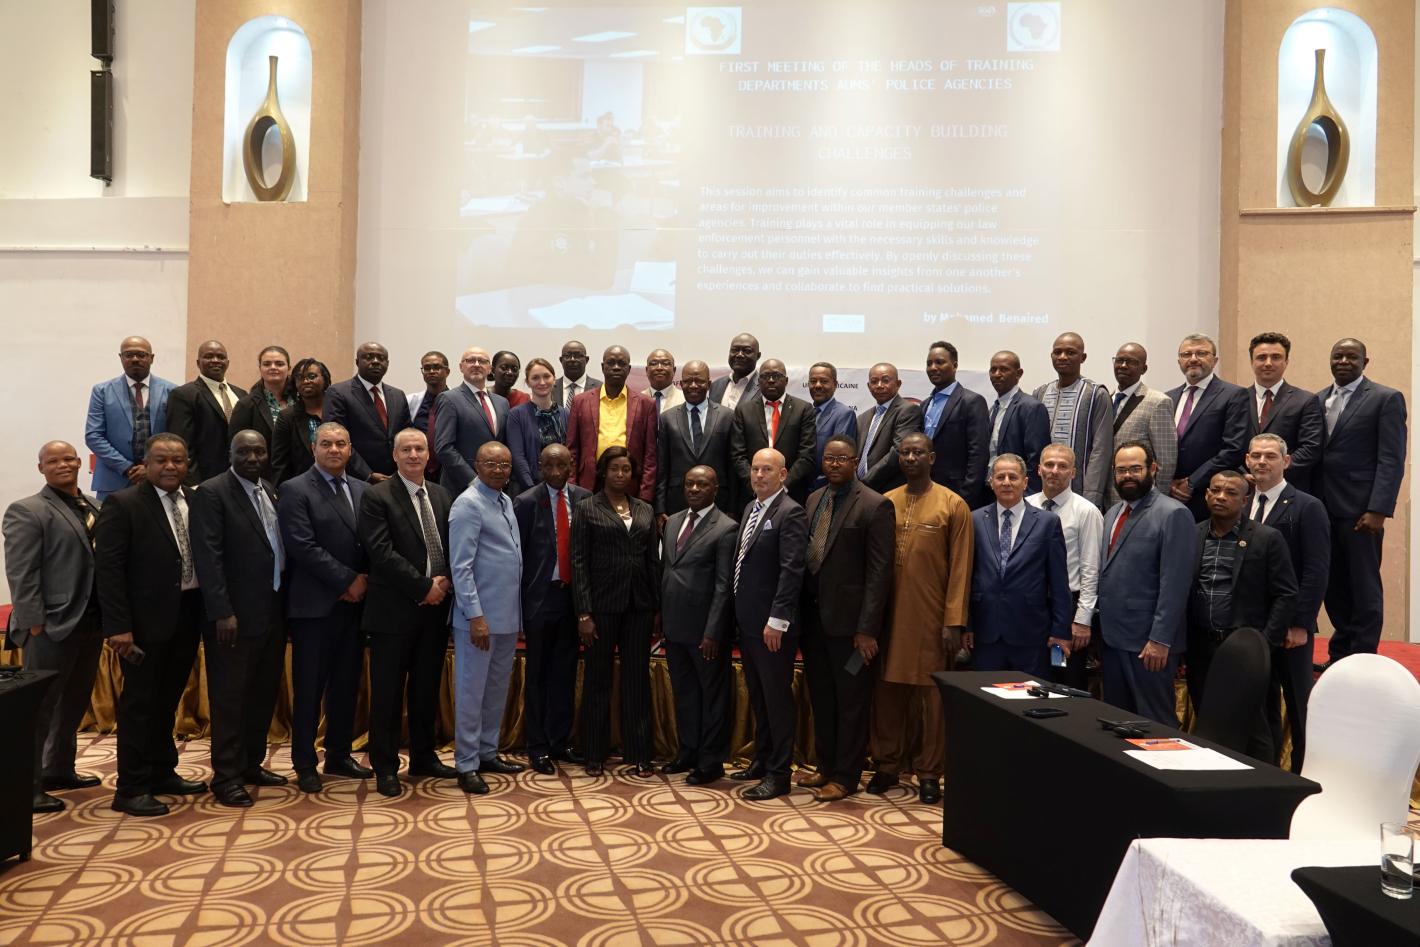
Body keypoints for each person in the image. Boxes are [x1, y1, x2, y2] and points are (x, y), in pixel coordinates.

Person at [94, 433, 208, 817]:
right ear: (146, 463)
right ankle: (131, 787)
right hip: (142, 624)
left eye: (178, 460)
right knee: (139, 704)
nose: (171, 466)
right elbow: (109, 570)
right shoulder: (123, 503)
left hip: (187, 615)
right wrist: (118, 626)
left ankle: (162, 771)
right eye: (162, 460)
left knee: (167, 700)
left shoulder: (195, 499)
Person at [869, 433, 973, 805]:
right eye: (905, 453)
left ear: (932, 458)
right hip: (889, 617)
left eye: (918, 452)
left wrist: (953, 622)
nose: (911, 458)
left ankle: (929, 772)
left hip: (932, 619)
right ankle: (886, 764)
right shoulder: (886, 501)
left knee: (933, 700)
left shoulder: (953, 504)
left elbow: (961, 568)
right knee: (886, 694)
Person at [3, 441, 104, 812]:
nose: (62, 464)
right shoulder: (27, 510)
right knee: (40, 708)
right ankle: (27, 787)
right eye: (53, 460)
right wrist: (33, 623)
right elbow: (21, 572)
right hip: (49, 624)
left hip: (91, 620)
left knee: (75, 700)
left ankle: (59, 769)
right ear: (41, 468)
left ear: (79, 462)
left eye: (68, 458)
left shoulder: (94, 505)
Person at [190, 431, 288, 807]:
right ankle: (226, 777)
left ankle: (250, 764)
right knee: (230, 699)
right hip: (233, 617)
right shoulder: (212, 492)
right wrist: (222, 611)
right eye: (243, 451)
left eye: (259, 451)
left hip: (271, 611)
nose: (252, 457)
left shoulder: (268, 489)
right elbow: (208, 556)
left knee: (261, 694)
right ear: (230, 454)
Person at [358, 429, 457, 797]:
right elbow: (381, 553)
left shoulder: (442, 495)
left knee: (426, 688)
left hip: (435, 611)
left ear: (429, 455)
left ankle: (423, 756)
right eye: (406, 449)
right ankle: (385, 767)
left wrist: (444, 583)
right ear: (395, 456)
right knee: (387, 693)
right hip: (393, 612)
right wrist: (423, 587)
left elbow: (451, 545)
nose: (414, 455)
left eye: (419, 448)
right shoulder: (377, 495)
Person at [797, 436, 894, 802]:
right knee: (822, 699)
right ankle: (825, 766)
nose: (834, 465)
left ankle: (846, 776)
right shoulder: (813, 499)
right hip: (814, 622)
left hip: (852, 630)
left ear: (855, 462)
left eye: (842, 459)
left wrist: (867, 629)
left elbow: (879, 574)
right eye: (829, 459)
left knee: (851, 703)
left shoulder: (874, 505)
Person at [277, 422, 372, 793]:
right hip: (314, 607)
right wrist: (347, 581)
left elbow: (371, 543)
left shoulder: (363, 490)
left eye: (341, 444)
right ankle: (304, 762)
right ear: (313, 448)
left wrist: (363, 580)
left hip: (354, 606)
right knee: (309, 689)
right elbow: (302, 545)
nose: (334, 450)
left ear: (350, 449)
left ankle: (338, 754)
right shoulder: (295, 489)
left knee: (345, 685)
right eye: (327, 444)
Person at [1184, 470, 1298, 762]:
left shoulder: (1266, 538)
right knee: (1208, 722)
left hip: (1244, 649)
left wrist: (1264, 644)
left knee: (1255, 729)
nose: (1221, 497)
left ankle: (1265, 783)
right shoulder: (1193, 534)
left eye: (1231, 493)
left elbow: (1286, 594)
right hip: (1201, 646)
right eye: (1215, 491)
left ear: (1245, 500)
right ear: (1206, 495)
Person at [1317, 338, 1407, 663]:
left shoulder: (1385, 398)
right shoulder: (1318, 399)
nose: (1343, 361)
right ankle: (1340, 654)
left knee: (1363, 586)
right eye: (1337, 355)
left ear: (1365, 362)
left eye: (1351, 357)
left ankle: (1364, 656)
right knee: (1334, 585)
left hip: (1361, 511)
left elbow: (1391, 459)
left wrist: (1378, 509)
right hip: (1323, 509)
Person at [572, 446, 659, 777]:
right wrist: (584, 613)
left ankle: (640, 754)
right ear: (603, 472)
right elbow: (579, 562)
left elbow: (652, 562)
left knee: (637, 680)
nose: (621, 474)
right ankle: (594, 753)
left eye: (626, 469)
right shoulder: (587, 508)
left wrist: (656, 606)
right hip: (601, 608)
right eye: (614, 469)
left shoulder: (645, 509)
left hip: (639, 607)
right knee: (598, 680)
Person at [1245, 433, 1330, 771]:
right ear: (1247, 460)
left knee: (1298, 706)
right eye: (1256, 455)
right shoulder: (1243, 503)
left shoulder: (1308, 506)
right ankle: (1268, 773)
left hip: (1291, 629)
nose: (1262, 461)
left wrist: (1300, 623)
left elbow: (1316, 571)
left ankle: (1304, 774)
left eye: (1270, 456)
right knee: (1262, 704)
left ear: (1287, 461)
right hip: (1255, 625)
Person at [1096, 441, 1195, 725]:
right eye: (1121, 470)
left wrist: (1160, 639)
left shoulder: (1173, 513)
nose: (1127, 476)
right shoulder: (1113, 513)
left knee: (1155, 725)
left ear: (1153, 469)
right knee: (1116, 723)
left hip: (1148, 644)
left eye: (1135, 469)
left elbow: (1175, 584)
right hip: (1113, 640)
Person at [730, 448, 808, 800]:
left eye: (767, 470)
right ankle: (762, 759)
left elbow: (792, 570)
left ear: (783, 474)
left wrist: (777, 620)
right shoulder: (751, 507)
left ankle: (779, 774)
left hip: (772, 627)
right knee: (760, 697)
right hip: (748, 622)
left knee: (776, 701)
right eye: (755, 469)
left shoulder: (791, 512)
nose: (759, 475)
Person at [448, 442, 526, 794]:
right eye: (491, 463)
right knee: (471, 692)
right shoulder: (467, 504)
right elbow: (461, 568)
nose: (498, 470)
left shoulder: (505, 500)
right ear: (476, 465)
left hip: (506, 617)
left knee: (495, 690)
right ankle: (466, 764)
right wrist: (475, 616)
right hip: (478, 621)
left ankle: (487, 752)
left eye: (504, 464)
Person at [513, 444, 590, 775]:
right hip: (540, 599)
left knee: (564, 673)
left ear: (571, 466)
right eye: (549, 466)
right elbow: (517, 557)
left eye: (562, 465)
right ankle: (538, 745)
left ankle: (560, 740)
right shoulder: (526, 502)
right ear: (540, 467)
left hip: (572, 599)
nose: (556, 472)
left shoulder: (585, 499)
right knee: (538, 676)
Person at [659, 466, 738, 785]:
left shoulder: (726, 528)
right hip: (674, 627)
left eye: (702, 485)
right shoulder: (673, 521)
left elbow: (723, 586)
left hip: (706, 632)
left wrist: (713, 631)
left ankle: (711, 761)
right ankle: (688, 752)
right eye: (689, 483)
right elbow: (669, 569)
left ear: (715, 489)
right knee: (685, 694)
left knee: (712, 697)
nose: (693, 489)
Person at [966, 454, 1072, 677]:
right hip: (986, 633)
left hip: (1031, 633)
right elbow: (967, 577)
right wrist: (968, 625)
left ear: (1025, 482)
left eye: (1013, 477)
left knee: (1029, 696)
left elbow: (1059, 583)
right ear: (991, 482)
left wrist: (1061, 631)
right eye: (1000, 477)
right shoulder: (974, 520)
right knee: (986, 695)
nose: (1006, 482)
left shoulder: (1047, 523)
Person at [1026, 444, 1103, 689]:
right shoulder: (1024, 506)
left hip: (1067, 609)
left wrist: (1083, 620)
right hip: (1032, 606)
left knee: (1063, 677)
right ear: (1039, 469)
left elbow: (1091, 569)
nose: (1054, 471)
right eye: (1049, 464)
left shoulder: (1086, 511)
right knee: (1032, 678)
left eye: (1062, 466)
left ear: (1073, 472)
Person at [1166, 333, 1250, 521]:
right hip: (1169, 494)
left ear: (1215, 360)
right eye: (1187, 354)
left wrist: (1192, 482)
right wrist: (1167, 482)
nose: (1193, 359)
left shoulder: (1234, 395)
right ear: (1179, 361)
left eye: (1201, 353)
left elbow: (1233, 449)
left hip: (1210, 495)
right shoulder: (1168, 398)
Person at [85, 336, 175, 500]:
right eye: (129, 355)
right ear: (121, 357)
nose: (135, 359)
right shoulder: (102, 391)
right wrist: (127, 467)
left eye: (141, 354)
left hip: (159, 480)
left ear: (151, 358)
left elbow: (176, 437)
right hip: (113, 480)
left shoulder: (172, 391)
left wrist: (151, 468)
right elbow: (93, 436)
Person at [1030, 333, 1113, 509]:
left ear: (1083, 357)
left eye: (1070, 352)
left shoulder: (1096, 394)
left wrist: (1091, 497)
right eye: (1057, 352)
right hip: (1041, 493)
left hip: (1078, 493)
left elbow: (1101, 450)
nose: (1063, 357)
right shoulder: (1040, 393)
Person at [566, 345, 658, 502]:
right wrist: (572, 487)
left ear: (629, 369)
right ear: (603, 367)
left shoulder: (646, 404)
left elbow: (650, 456)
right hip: (589, 483)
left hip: (629, 484)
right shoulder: (580, 401)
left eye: (621, 363)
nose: (616, 367)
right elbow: (572, 450)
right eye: (611, 363)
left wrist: (644, 497)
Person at [1245, 332, 1323, 495]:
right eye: (1261, 357)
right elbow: (1230, 443)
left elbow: (1310, 448)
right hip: (1246, 488)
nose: (1268, 363)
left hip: (1289, 489)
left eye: (1276, 357)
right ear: (1252, 361)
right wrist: (1243, 473)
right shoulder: (1237, 399)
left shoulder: (1305, 400)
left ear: (1286, 362)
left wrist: (1273, 472)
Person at [730, 358, 816, 504]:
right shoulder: (743, 411)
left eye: (776, 376)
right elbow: (738, 455)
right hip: (752, 495)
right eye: (765, 376)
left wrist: (782, 486)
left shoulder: (803, 409)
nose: (770, 380)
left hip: (791, 494)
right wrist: (756, 485)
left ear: (786, 380)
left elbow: (806, 455)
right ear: (758, 381)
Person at [657, 360, 735, 521]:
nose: (693, 385)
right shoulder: (667, 418)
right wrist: (659, 508)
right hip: (677, 503)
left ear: (709, 384)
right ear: (681, 384)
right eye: (688, 381)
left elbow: (732, 465)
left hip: (719, 502)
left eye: (699, 381)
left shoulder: (727, 416)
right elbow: (662, 467)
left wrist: (733, 507)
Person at [323, 342, 411, 481]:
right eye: (369, 357)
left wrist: (402, 469)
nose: (375, 361)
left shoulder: (398, 395)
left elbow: (407, 435)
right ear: (357, 362)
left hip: (395, 477)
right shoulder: (338, 393)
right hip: (356, 478)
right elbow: (337, 439)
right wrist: (367, 474)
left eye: (381, 358)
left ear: (387, 364)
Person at [167, 340, 247, 486]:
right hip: (203, 480)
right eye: (209, 356)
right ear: (198, 363)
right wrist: (193, 484)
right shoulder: (184, 395)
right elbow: (182, 445)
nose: (215, 360)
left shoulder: (241, 394)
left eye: (221, 357)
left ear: (228, 362)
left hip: (240, 478)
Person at [434, 346, 511, 498]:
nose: (476, 364)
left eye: (482, 361)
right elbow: (444, 447)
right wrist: (474, 480)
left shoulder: (502, 403)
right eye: (470, 360)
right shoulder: (449, 399)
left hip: (496, 486)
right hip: (461, 488)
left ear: (490, 369)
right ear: (461, 367)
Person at [1107, 343, 1178, 506]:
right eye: (1119, 360)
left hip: (1140, 498)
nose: (1123, 365)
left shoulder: (1158, 402)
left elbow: (1166, 461)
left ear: (1144, 369)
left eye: (1131, 362)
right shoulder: (1105, 399)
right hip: (1107, 498)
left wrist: (1156, 503)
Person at [922, 341, 989, 508]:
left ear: (955, 365)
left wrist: (965, 498)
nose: (933, 367)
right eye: (929, 363)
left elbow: (978, 454)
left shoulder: (972, 401)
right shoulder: (924, 405)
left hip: (958, 494)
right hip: (925, 491)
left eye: (939, 362)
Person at [272, 359, 359, 486]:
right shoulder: (287, 417)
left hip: (345, 483)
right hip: (303, 487)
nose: (306, 381)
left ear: (325, 379)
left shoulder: (340, 410)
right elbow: (280, 463)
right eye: (300, 378)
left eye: (312, 376)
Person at [985, 352, 1050, 498]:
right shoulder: (993, 408)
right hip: (991, 491)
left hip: (1019, 493)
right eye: (993, 369)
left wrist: (1028, 496)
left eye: (1004, 369)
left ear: (1019, 374)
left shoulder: (1031, 407)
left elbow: (1036, 458)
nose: (997, 374)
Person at [227, 345, 294, 483]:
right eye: (267, 364)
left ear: (289, 368)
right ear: (260, 368)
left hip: (299, 474)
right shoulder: (246, 405)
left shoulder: (300, 400)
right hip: (263, 478)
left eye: (279, 364)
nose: (273, 367)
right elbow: (236, 447)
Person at [856, 362, 924, 495]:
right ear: (868, 386)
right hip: (860, 491)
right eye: (874, 381)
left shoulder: (908, 411)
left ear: (898, 384)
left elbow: (899, 451)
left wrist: (865, 482)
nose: (879, 385)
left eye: (885, 380)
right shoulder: (862, 418)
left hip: (890, 490)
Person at [507, 357, 567, 494]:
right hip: (528, 490)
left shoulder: (565, 414)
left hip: (561, 489)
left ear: (554, 379)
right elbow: (518, 457)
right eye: (535, 378)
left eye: (546, 376)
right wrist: (533, 491)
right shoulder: (516, 415)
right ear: (528, 382)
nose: (542, 382)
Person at [805, 362, 860, 493]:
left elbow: (839, 459)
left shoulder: (844, 414)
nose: (818, 385)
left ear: (835, 385)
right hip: (801, 489)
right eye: (813, 381)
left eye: (824, 381)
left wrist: (816, 488)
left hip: (826, 490)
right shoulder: (806, 412)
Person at [408, 351, 451, 484]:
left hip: (448, 469)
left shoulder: (457, 402)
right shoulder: (411, 401)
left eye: (437, 367)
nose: (431, 371)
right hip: (418, 468)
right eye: (427, 368)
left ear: (447, 371)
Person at [709, 333, 760, 409]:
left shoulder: (764, 387)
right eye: (735, 350)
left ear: (758, 356)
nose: (739, 355)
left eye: (747, 351)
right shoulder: (716, 385)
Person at [553, 340, 601, 409]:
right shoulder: (550, 388)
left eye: (578, 356)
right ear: (561, 360)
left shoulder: (600, 388)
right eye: (567, 356)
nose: (572, 359)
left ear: (586, 360)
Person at [644, 348, 684, 416]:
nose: (659, 368)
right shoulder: (637, 400)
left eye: (665, 364)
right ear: (646, 370)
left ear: (674, 370)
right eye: (654, 364)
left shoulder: (684, 399)